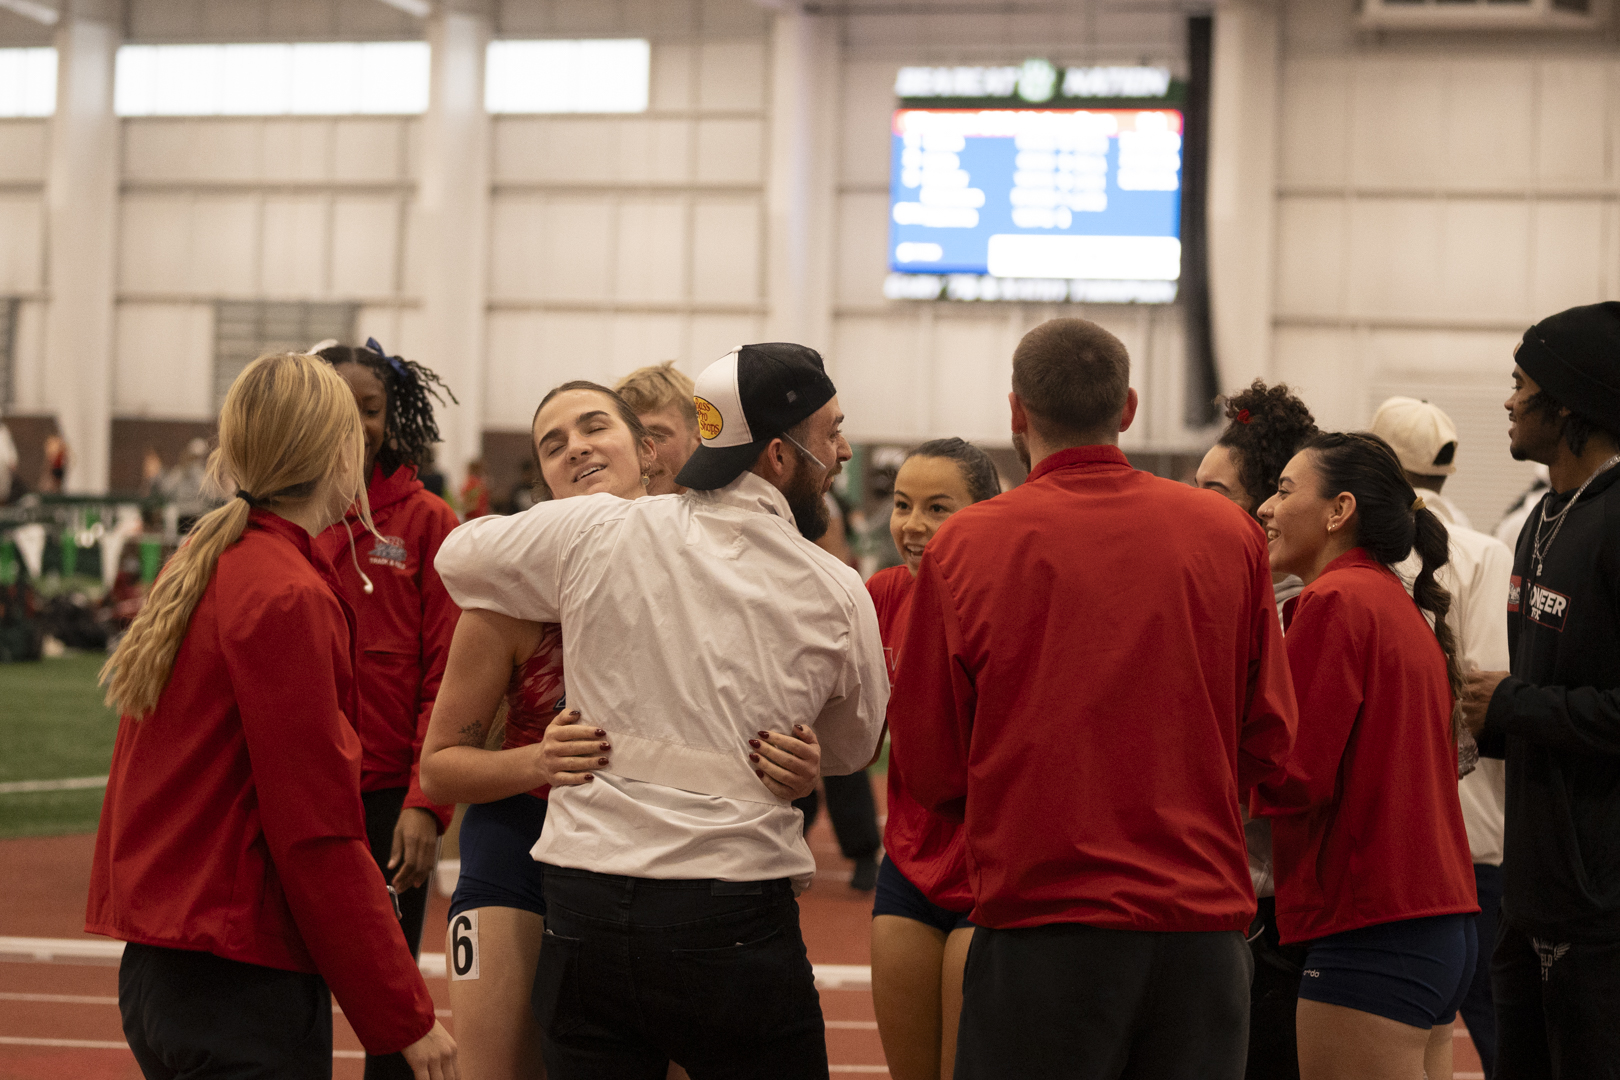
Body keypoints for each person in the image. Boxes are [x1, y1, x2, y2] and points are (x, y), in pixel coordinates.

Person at [434, 343, 887, 1080]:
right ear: (777, 455)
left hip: (585, 900)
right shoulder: (835, 589)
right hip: (728, 909)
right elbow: (852, 748)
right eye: (832, 433)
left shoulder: (595, 532)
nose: (843, 452)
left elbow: (459, 557)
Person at [890, 317, 1297, 1080]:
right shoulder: (1229, 534)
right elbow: (1271, 737)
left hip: (1042, 929)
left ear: (1016, 412)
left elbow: (930, 767)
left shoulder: (966, 546)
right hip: (1199, 932)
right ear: (1129, 408)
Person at [86, 352, 457, 1080]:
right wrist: (405, 1017)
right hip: (238, 974)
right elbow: (317, 834)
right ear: (340, 454)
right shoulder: (287, 593)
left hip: (167, 964)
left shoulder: (209, 558)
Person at [1254, 431, 1478, 1080]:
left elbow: (1295, 774)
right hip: (1429, 917)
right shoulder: (1390, 601)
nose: (1266, 507)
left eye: (1284, 490)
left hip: (1375, 918)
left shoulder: (1334, 601)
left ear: (1339, 510)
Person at [1461, 302, 1620, 1080]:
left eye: (1521, 385)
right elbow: (1546, 687)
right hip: (1529, 892)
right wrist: (1480, 717)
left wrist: (1512, 704)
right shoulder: (1542, 519)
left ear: (1567, 405)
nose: (1508, 401)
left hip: (1599, 907)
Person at [310, 338, 460, 1080]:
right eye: (339, 407)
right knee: (289, 992)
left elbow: (451, 679)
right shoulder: (289, 516)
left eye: (369, 408)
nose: (356, 424)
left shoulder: (430, 523)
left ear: (392, 414)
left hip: (389, 802)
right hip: (305, 795)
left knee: (394, 1009)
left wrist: (426, 804)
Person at [1370, 395, 1513, 1079]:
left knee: (1403, 1027)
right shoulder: (1486, 552)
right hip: (1480, 828)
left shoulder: (1369, 556)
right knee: (1488, 1014)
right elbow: (1489, 685)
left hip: (1398, 830)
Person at [1195, 379, 1320, 1080]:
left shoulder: (1302, 610)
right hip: (1223, 900)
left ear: (1269, 508)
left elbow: (1289, 767)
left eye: (1215, 494)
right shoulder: (1231, 595)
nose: (1195, 507)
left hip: (1271, 910)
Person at [867, 436, 999, 1080]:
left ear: (985, 514)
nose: (913, 525)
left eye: (938, 508)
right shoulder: (882, 596)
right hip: (908, 867)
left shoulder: (1009, 597)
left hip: (993, 874)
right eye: (902, 505)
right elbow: (854, 737)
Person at [614, 360, 702, 496]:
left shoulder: (728, 505)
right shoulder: (598, 506)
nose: (642, 453)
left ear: (699, 440)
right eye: (629, 439)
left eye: (655, 435)